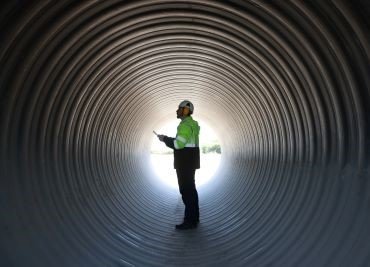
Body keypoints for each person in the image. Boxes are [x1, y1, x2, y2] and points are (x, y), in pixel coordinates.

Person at [157, 100, 200, 230]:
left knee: (186, 191)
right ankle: (194, 218)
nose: (177, 111)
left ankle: (190, 221)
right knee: (191, 190)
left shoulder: (185, 125)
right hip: (190, 160)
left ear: (185, 111)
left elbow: (178, 144)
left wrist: (164, 139)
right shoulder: (193, 124)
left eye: (180, 109)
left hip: (184, 162)